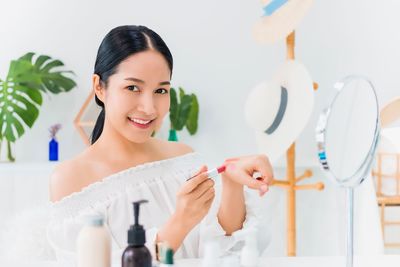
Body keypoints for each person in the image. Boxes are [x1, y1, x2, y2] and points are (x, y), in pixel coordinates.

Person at [48, 25, 273, 263]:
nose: (149, 107)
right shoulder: (70, 178)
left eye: (161, 90)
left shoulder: (183, 159)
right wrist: (180, 223)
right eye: (132, 87)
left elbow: (224, 248)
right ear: (99, 87)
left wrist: (231, 184)